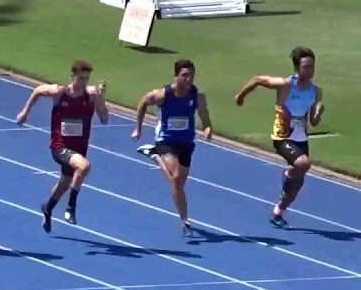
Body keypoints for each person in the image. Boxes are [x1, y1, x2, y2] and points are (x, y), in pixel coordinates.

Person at [235, 46, 324, 227]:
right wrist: (241, 95)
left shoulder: (316, 91)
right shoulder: (285, 85)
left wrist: (319, 112)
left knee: (297, 184)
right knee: (303, 164)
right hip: (282, 136)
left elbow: (313, 122)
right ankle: (288, 172)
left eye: (312, 67)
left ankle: (278, 212)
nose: (310, 71)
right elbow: (257, 80)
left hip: (301, 138)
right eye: (306, 67)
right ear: (297, 68)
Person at [16, 60, 109, 230]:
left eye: (87, 79)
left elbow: (104, 119)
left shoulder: (92, 95)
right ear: (72, 76)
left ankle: (48, 207)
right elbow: (38, 90)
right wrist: (25, 112)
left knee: (65, 183)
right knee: (85, 167)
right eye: (81, 78)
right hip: (60, 146)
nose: (84, 82)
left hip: (79, 149)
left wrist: (101, 99)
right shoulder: (60, 93)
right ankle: (71, 207)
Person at [132, 59, 213, 236]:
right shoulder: (163, 95)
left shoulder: (197, 96)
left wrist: (207, 128)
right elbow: (143, 102)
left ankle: (153, 155)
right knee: (175, 177)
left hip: (186, 143)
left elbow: (204, 115)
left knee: (179, 183)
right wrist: (138, 127)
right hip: (166, 141)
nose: (189, 79)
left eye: (192, 75)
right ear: (176, 76)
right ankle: (186, 220)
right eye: (185, 75)